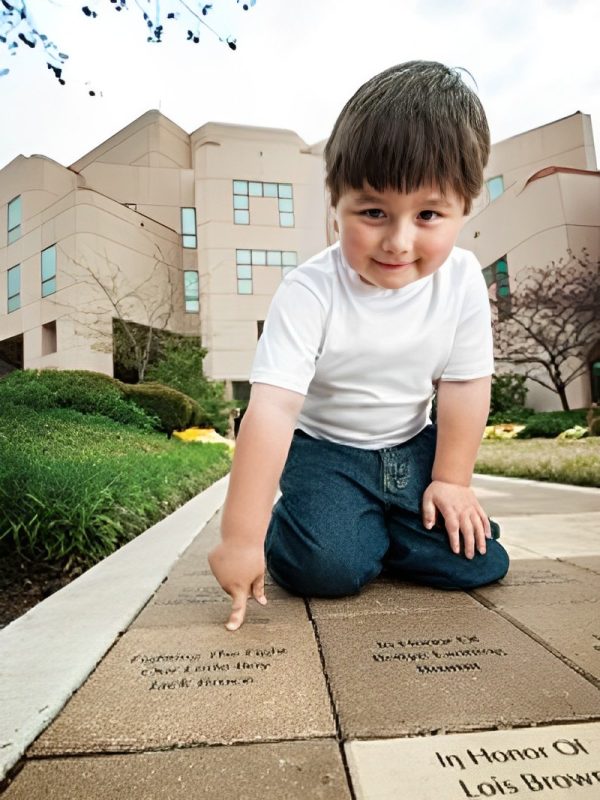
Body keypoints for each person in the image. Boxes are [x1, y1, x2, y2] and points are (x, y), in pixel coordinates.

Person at [209, 60, 510, 631]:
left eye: (427, 214)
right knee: (329, 569)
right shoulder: (310, 290)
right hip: (327, 453)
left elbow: (466, 382)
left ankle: (381, 525)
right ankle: (312, 525)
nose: (398, 241)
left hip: (411, 449)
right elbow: (272, 408)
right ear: (336, 204)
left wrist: (451, 480)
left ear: (462, 209)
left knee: (480, 561)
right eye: (373, 212)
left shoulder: (465, 280)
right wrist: (239, 537)